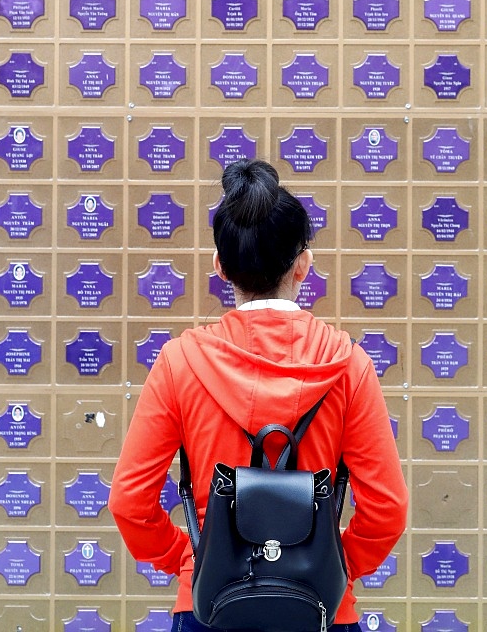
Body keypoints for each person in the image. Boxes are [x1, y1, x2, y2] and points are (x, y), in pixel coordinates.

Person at [109, 159, 408, 632]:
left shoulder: (179, 362)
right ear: (303, 266)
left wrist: (190, 561)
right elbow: (387, 509)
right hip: (321, 609)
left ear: (220, 266)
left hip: (210, 605)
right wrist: (333, 567)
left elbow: (130, 502)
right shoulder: (349, 365)